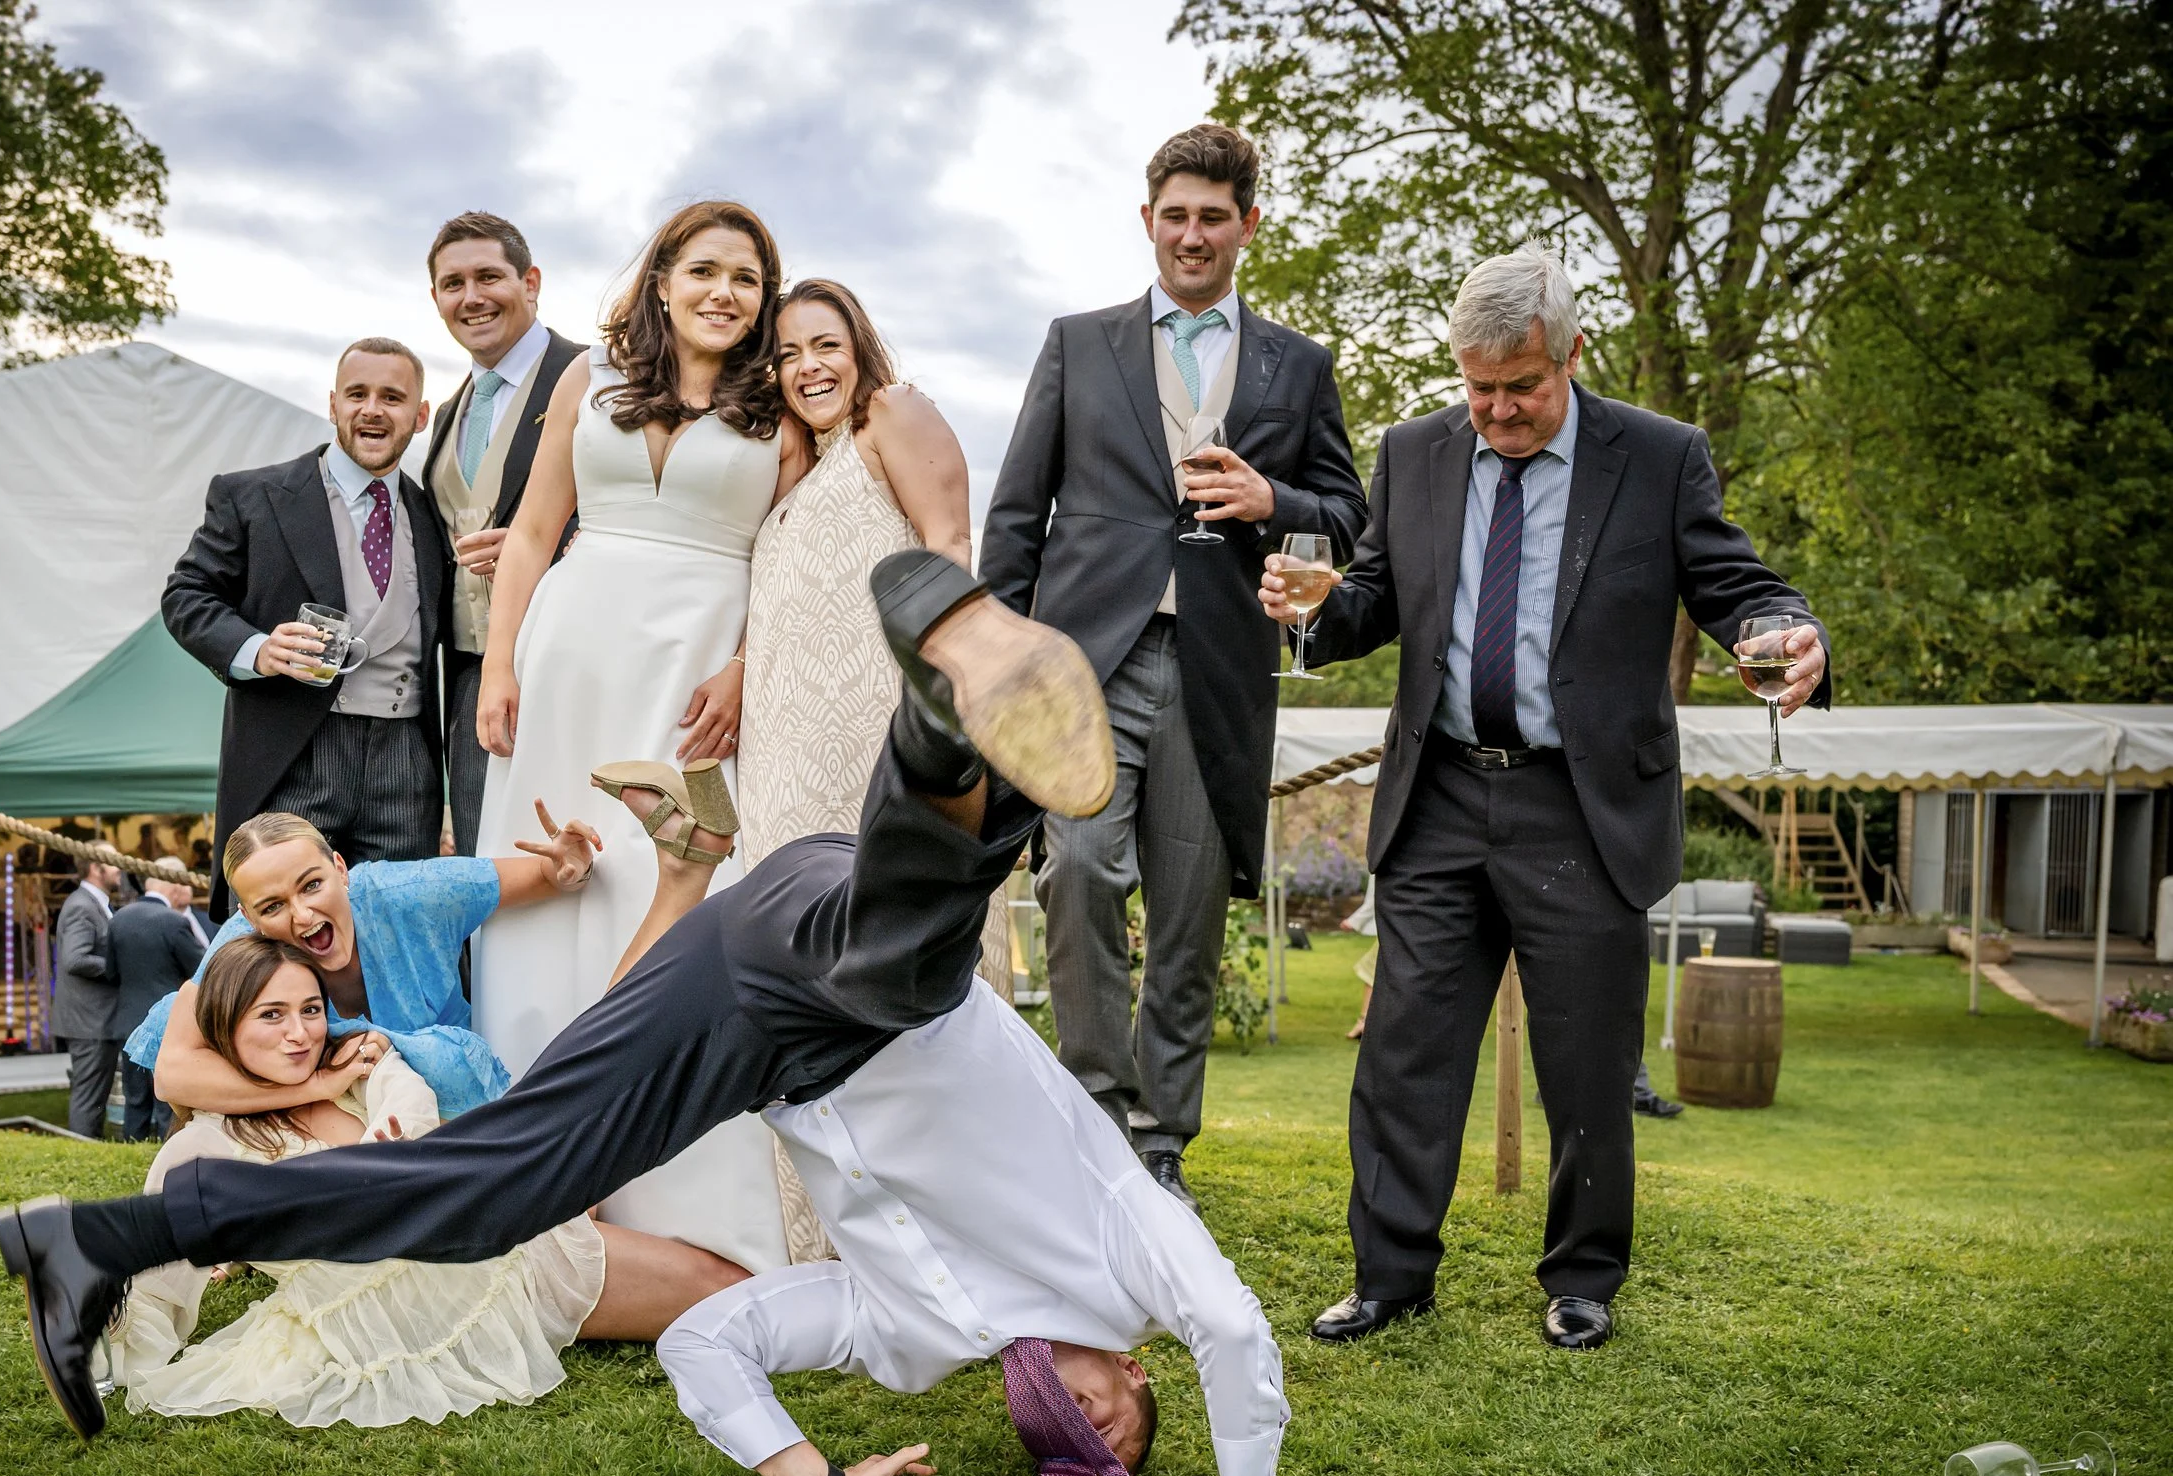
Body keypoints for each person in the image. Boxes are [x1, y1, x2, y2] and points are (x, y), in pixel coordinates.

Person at [0, 553, 1337, 1476]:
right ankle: (944, 694)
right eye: (1115, 1423)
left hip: (751, 999)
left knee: (487, 1189)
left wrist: (815, 1473)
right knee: (910, 963)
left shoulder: (909, 1342)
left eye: (1064, 1442)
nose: (1080, 1421)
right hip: (847, 965)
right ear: (1138, 1377)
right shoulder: (1133, 1255)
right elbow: (1233, 1325)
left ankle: (103, 1236)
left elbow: (715, 1336)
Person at [1261, 247, 1829, 1352]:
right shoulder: (1415, 450)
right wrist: (1316, 611)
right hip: (1436, 798)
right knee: (1404, 1056)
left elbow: (1733, 582)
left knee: (1585, 1061)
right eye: (1478, 387)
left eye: (1520, 385)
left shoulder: (1658, 457)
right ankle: (1388, 1276)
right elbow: (1376, 590)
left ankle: (1581, 1275)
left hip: (1581, 805)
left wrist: (1789, 628)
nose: (1497, 409)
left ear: (1570, 354)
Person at [980, 123, 1367, 1210]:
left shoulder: (1299, 365)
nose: (1191, 234)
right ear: (1146, 220)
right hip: (1084, 665)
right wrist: (999, 661)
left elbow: (1350, 515)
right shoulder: (1077, 342)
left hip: (1219, 668)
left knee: (1192, 903)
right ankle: (1093, 1114)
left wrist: (1272, 502)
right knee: (1082, 872)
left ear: (1248, 224)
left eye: (1212, 216)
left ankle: (1160, 1139)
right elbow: (1016, 514)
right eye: (1173, 215)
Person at [466, 200, 812, 1274]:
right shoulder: (591, 381)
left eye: (746, 279)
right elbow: (530, 532)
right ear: (660, 279)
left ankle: (689, 1196)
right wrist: (498, 659)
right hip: (570, 657)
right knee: (550, 879)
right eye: (703, 269)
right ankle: (538, 1176)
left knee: (676, 880)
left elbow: (791, 567)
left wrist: (750, 668)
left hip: (697, 672)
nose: (723, 292)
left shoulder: (780, 410)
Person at [108, 934, 746, 1428]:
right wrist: (111, 1345)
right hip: (404, 1306)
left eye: (308, 1009)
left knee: (724, 1286)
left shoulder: (356, 1066)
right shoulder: (202, 1146)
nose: (300, 1033)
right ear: (226, 1027)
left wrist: (380, 1125)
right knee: (722, 1298)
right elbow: (155, 1280)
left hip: (496, 1239)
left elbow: (407, 1103)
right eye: (271, 1015)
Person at [164, 338, 451, 922]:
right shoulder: (252, 495)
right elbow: (186, 596)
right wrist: (258, 648)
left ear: (419, 417)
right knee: (276, 933)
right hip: (294, 749)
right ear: (333, 404)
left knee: (394, 927)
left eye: (392, 397)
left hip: (406, 759)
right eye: (358, 394)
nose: (373, 409)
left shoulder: (435, 515)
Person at [122, 802, 603, 1124]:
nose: (303, 915)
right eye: (272, 907)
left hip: (452, 1107)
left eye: (311, 885)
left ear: (338, 868)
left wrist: (569, 865)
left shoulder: (411, 894)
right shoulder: (239, 950)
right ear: (249, 919)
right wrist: (318, 1085)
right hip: (318, 1122)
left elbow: (546, 874)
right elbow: (175, 1079)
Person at [739, 279, 970, 864]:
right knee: (790, 914)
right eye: (788, 355)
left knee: (881, 903)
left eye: (826, 346)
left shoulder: (891, 411)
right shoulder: (801, 468)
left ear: (860, 349)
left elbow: (950, 544)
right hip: (781, 746)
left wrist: (934, 704)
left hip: (879, 726)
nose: (808, 367)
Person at [420, 212, 588, 854]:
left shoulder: (596, 376)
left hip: (565, 656)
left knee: (568, 849)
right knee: (482, 860)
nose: (472, 297)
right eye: (452, 283)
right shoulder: (448, 413)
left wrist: (553, 546)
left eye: (489, 276)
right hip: (467, 680)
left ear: (531, 282)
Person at [106, 858, 204, 1141]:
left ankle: (130, 1146)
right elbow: (201, 972)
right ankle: (166, 1153)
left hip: (127, 1022)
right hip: (166, 1024)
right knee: (167, 1102)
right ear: (174, 885)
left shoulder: (119, 919)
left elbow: (110, 972)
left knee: (134, 1098)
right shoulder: (174, 922)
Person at [52, 851, 124, 1139]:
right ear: (96, 868)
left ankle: (88, 1144)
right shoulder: (82, 906)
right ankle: (84, 1149)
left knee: (95, 1093)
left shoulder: (93, 903)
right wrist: (119, 969)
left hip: (96, 1018)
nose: (120, 869)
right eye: (113, 862)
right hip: (89, 1020)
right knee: (88, 1095)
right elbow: (75, 959)